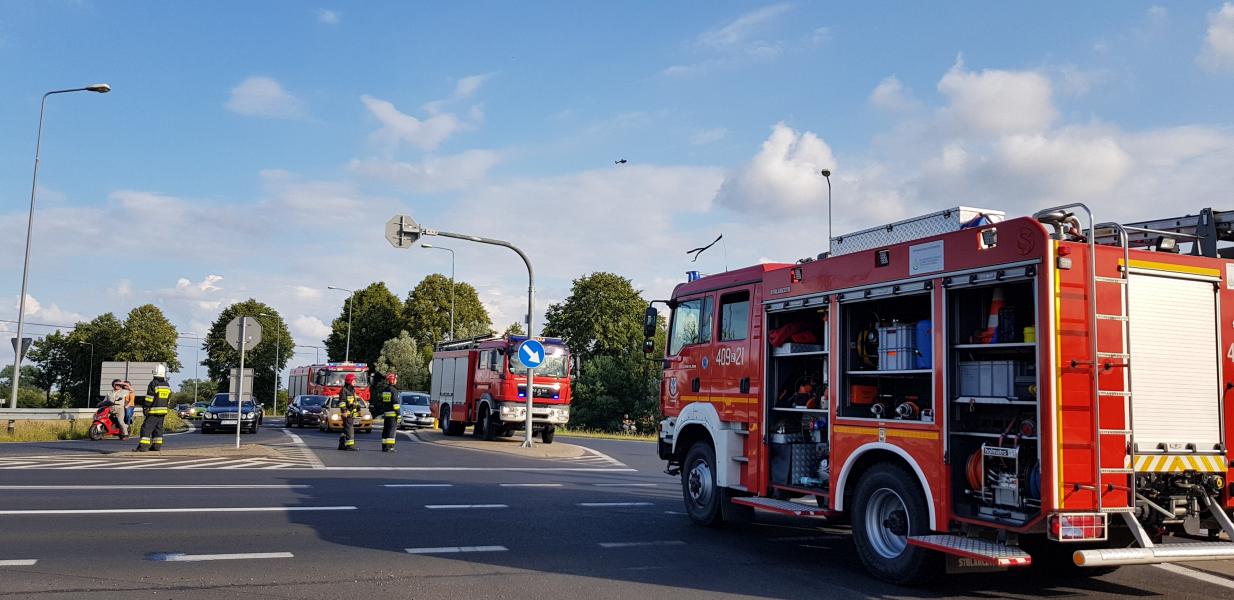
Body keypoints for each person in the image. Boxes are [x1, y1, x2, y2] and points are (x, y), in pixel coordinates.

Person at [136, 365, 172, 452]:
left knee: (146, 428)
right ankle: (156, 446)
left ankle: (143, 447)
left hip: (153, 411)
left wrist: (146, 407)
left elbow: (150, 398)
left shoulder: (153, 383)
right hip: (163, 411)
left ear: (154, 372)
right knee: (158, 429)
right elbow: (168, 398)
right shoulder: (166, 384)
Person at [378, 372, 401, 453]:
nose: (396, 381)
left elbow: (382, 402)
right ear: (392, 380)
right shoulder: (394, 391)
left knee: (386, 430)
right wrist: (398, 414)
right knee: (391, 430)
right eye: (395, 379)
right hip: (393, 414)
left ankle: (384, 446)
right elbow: (396, 404)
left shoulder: (385, 390)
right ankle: (390, 447)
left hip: (386, 414)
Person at [336, 373, 358, 451]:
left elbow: (354, 401)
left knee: (345, 429)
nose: (355, 382)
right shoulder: (344, 390)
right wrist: (344, 411)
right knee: (349, 429)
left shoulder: (352, 390)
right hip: (347, 413)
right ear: (349, 381)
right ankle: (350, 446)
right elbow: (342, 402)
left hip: (351, 413)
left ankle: (341, 445)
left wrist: (358, 409)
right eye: (353, 380)